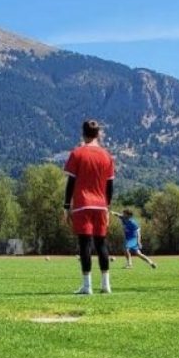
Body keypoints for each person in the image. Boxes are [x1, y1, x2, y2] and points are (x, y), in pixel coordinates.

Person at [64, 119, 115, 295]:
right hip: (101, 206)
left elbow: (70, 183)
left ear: (83, 133)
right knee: (101, 244)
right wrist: (107, 208)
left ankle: (87, 286)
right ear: (98, 134)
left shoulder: (77, 153)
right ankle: (106, 285)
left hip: (83, 205)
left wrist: (66, 207)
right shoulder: (107, 156)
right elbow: (110, 186)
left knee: (85, 245)